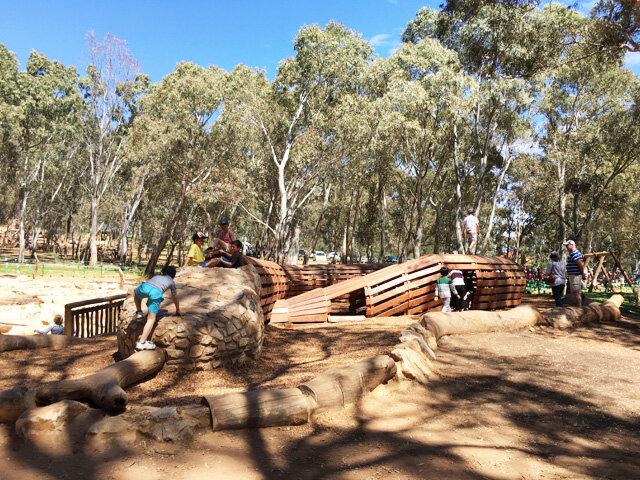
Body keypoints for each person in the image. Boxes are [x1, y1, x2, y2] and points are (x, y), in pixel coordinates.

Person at [134, 265, 181, 350]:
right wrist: (178, 310)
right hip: (155, 292)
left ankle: (139, 312)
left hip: (144, 287)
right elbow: (175, 297)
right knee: (151, 319)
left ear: (161, 273)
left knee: (136, 292)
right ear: (173, 276)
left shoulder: (157, 276)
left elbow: (149, 284)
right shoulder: (172, 282)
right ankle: (142, 343)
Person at [564, 240, 585, 307]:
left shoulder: (575, 253)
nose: (566, 247)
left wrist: (583, 273)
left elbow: (580, 264)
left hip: (575, 275)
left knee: (576, 291)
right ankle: (577, 305)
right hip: (573, 275)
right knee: (574, 291)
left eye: (567, 245)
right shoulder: (572, 253)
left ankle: (579, 306)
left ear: (572, 245)